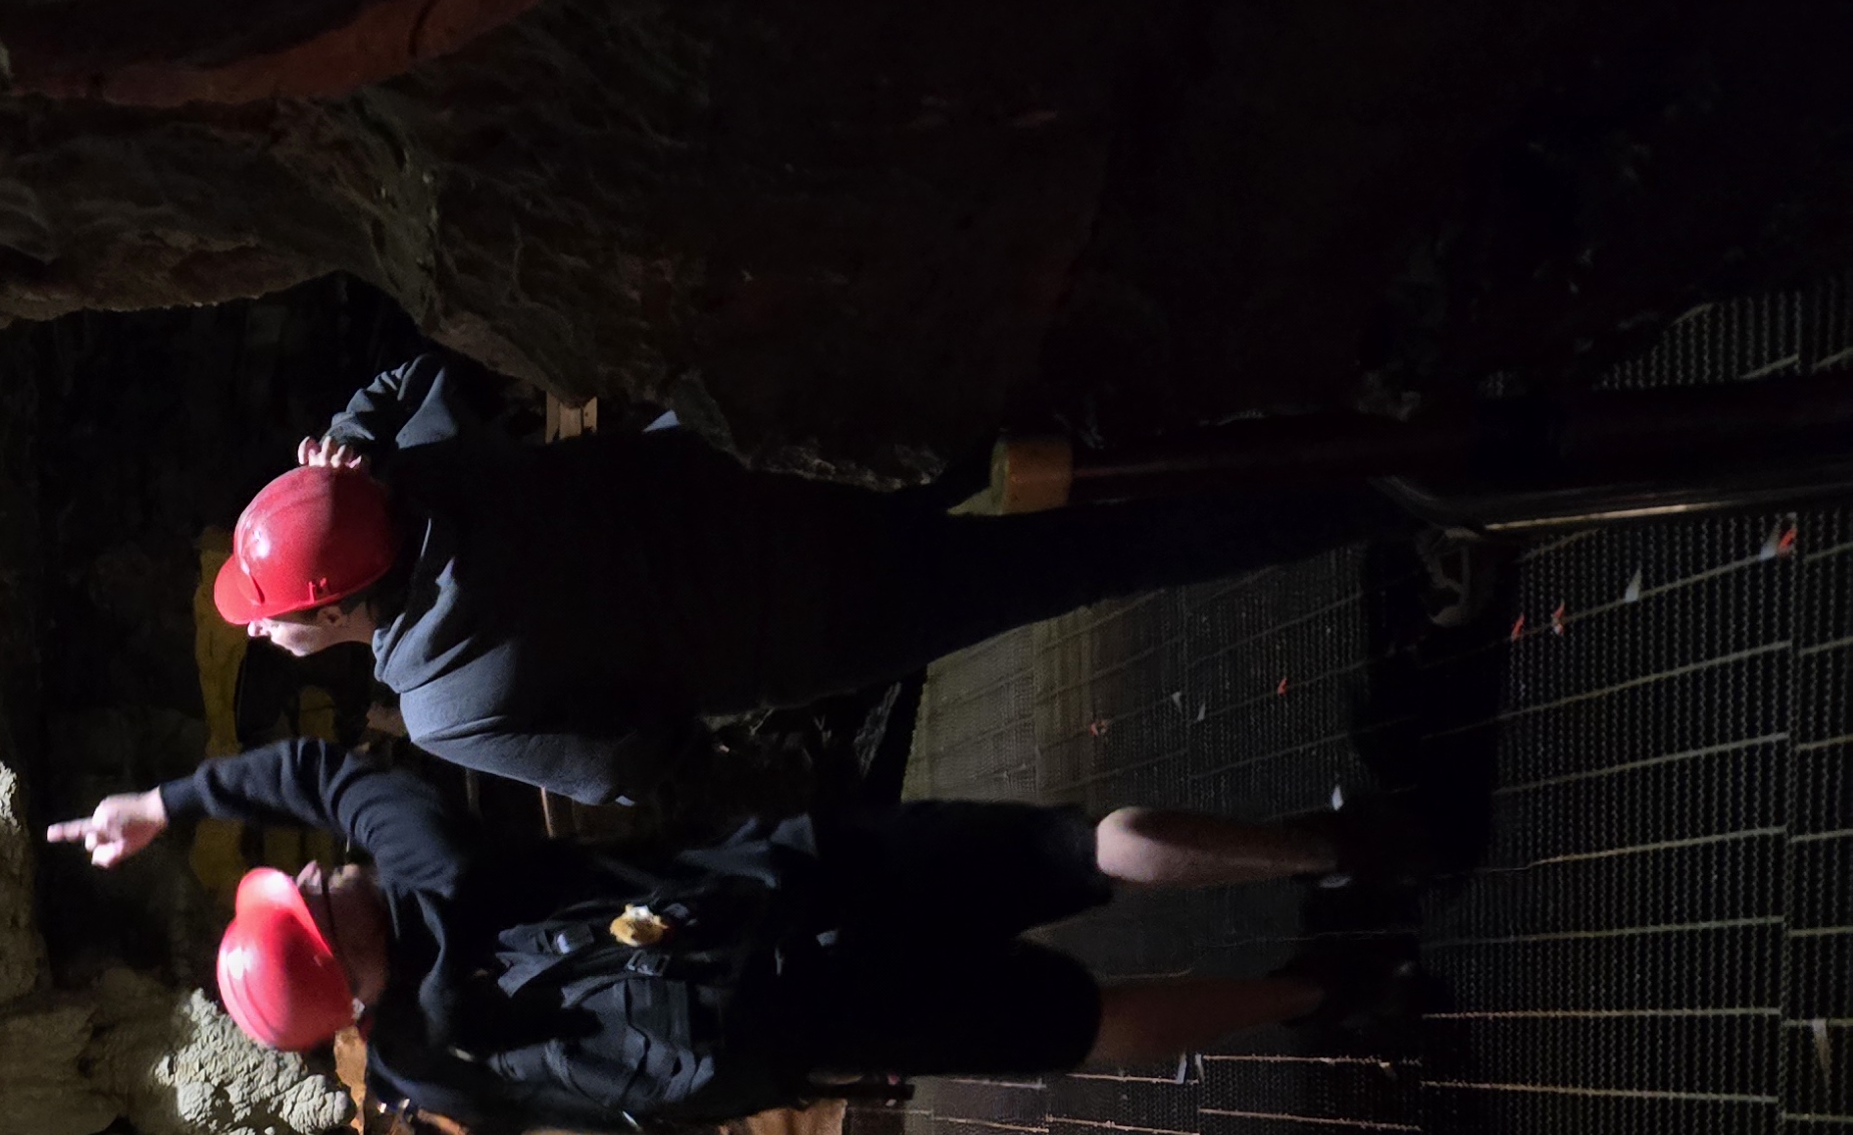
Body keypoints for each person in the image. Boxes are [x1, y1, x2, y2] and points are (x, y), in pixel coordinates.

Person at [44, 735, 1392, 1135]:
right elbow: (326, 771)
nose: (318, 873)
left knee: (1084, 1028)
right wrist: (162, 802)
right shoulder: (434, 863)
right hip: (794, 878)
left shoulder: (422, 1061)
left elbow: (551, 1134)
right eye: (305, 895)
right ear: (333, 927)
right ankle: (1334, 848)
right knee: (1069, 849)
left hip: (810, 1027)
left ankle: (1306, 992)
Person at [216, 354, 1398, 802]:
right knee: (1068, 428)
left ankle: (1371, 495)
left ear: (336, 609)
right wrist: (351, 453)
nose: (268, 636)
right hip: (786, 455)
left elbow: (643, 766)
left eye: (277, 620)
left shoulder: (447, 701)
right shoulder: (429, 464)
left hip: (822, 617)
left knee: (1092, 558)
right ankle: (1352, 409)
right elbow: (407, 374)